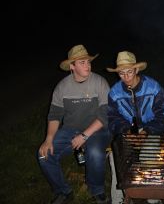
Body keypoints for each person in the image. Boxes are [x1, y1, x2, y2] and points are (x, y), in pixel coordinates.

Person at [37, 44, 112, 204]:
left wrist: (84, 136)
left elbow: (105, 115)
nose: (88, 65)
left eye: (88, 61)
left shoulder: (100, 82)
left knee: (95, 153)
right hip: (71, 129)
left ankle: (96, 190)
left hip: (97, 129)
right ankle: (63, 191)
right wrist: (49, 138)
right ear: (72, 66)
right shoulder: (62, 87)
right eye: (82, 62)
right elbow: (55, 115)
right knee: (44, 154)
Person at [106, 51, 164, 204]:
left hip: (152, 130)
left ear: (137, 70)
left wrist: (147, 132)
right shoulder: (115, 92)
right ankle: (120, 199)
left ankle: (154, 199)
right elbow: (112, 118)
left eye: (129, 71)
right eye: (121, 73)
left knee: (147, 154)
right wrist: (127, 131)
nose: (126, 77)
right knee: (115, 156)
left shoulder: (153, 87)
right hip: (128, 132)